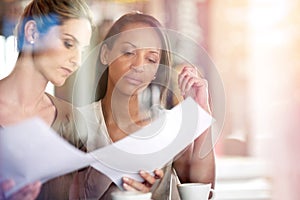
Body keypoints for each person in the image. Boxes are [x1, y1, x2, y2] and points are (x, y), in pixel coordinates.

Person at [75, 12, 215, 200]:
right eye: (128, 52)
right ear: (105, 54)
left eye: (151, 59)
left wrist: (202, 112)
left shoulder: (167, 128)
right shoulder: (76, 123)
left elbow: (200, 193)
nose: (139, 65)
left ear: (157, 70)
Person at [0, 0, 94, 199]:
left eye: (82, 51)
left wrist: (133, 187)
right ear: (32, 32)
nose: (77, 61)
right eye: (68, 43)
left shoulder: (71, 121)